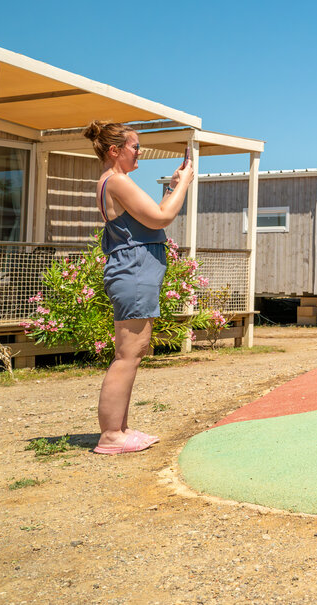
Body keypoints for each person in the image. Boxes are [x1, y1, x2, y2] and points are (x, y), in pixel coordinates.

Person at [85, 120, 195, 454]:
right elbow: (161, 219)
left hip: (134, 272)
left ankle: (119, 429)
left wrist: (171, 187)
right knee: (128, 354)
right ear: (115, 150)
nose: (140, 152)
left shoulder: (113, 181)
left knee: (132, 352)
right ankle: (111, 436)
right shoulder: (117, 181)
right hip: (133, 273)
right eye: (135, 146)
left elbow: (150, 216)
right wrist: (185, 184)